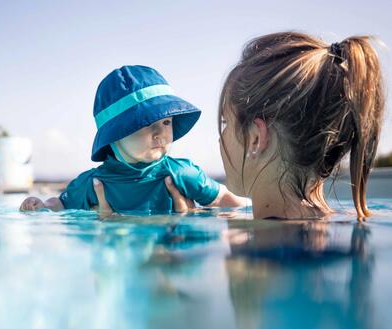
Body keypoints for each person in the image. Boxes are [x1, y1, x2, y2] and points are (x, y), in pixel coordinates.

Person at [141, 32, 385, 220]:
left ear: (256, 138)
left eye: (226, 122)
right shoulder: (352, 219)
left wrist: (170, 240)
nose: (219, 138)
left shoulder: (260, 259)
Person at [20, 65, 248, 213]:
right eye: (146, 124)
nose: (160, 133)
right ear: (115, 135)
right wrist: (40, 206)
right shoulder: (95, 182)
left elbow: (227, 201)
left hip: (170, 257)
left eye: (166, 122)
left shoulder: (181, 174)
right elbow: (60, 204)